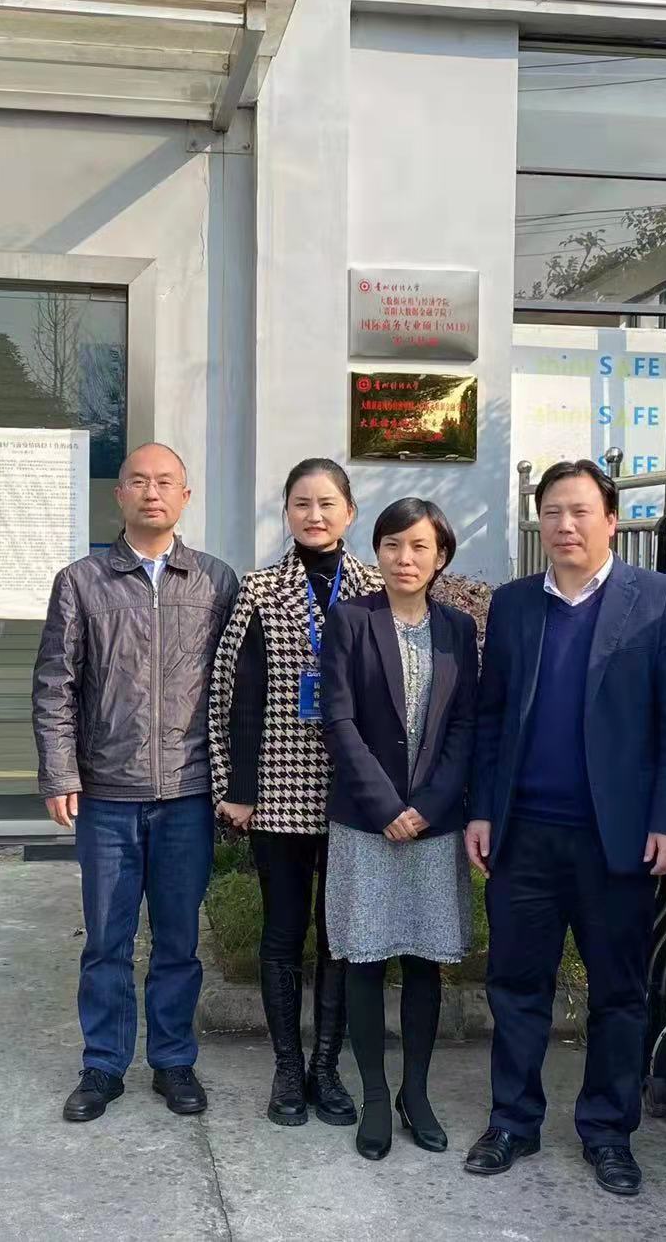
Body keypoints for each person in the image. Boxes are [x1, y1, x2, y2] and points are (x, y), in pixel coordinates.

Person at [463, 458, 666, 1197]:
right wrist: (483, 808)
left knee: (618, 993)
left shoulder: (658, 600)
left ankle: (607, 1132)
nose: (565, 525)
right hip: (525, 833)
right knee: (515, 984)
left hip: (618, 839)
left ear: (610, 520)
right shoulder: (514, 604)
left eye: (579, 511)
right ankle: (513, 1121)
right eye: (552, 512)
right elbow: (491, 716)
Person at [32, 442, 239, 1123]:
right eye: (139, 481)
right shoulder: (82, 582)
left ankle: (174, 1061)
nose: (153, 493)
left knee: (178, 942)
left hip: (188, 792)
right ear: (119, 494)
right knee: (107, 941)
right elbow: (56, 685)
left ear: (185, 496)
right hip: (107, 794)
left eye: (166, 482)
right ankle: (103, 1064)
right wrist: (60, 771)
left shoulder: (215, 581)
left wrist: (235, 783)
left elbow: (237, 688)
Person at [209, 459, 381, 1128]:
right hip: (279, 789)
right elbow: (232, 694)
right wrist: (235, 787)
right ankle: (286, 1068)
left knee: (338, 934)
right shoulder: (259, 590)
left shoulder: (374, 588)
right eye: (302, 503)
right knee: (283, 931)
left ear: (349, 512)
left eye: (327, 503)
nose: (315, 515)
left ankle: (326, 1068)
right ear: (286, 512)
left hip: (355, 791)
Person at [319, 498, 479, 1160]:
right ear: (377, 552)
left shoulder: (458, 629)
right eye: (391, 544)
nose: (404, 558)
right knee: (364, 958)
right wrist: (386, 805)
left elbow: (466, 725)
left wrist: (429, 805)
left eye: (418, 546)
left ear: (440, 556)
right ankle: (377, 1098)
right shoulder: (350, 620)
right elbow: (338, 719)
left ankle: (417, 1092)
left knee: (422, 962)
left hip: (433, 825)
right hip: (367, 822)